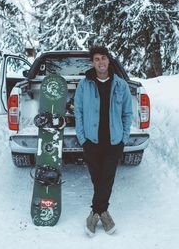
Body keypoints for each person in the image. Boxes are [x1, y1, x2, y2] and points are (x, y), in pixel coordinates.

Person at [74, 45, 133, 236]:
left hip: (114, 141)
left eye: (104, 58)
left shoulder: (121, 85)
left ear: (109, 60)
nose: (101, 62)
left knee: (107, 177)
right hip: (91, 140)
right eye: (97, 59)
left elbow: (127, 113)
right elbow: (79, 112)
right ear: (93, 62)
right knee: (97, 177)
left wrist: (124, 138)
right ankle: (103, 211)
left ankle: (95, 213)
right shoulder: (84, 85)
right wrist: (82, 138)